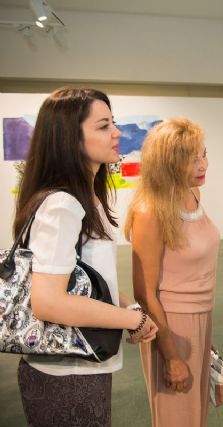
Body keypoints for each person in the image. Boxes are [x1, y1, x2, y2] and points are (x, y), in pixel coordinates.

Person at [13, 87, 158, 427]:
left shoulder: (84, 197)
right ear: (70, 138)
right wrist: (131, 321)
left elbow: (90, 280)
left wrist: (130, 309)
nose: (117, 132)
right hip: (66, 375)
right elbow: (48, 302)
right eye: (104, 126)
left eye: (113, 122)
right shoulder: (62, 205)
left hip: (81, 362)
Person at [124, 118, 220, 427]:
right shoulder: (149, 212)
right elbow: (144, 293)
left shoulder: (193, 194)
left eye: (204, 154)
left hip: (201, 316)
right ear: (168, 163)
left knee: (195, 414)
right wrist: (172, 356)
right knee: (177, 416)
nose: (203, 164)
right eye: (192, 159)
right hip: (170, 323)